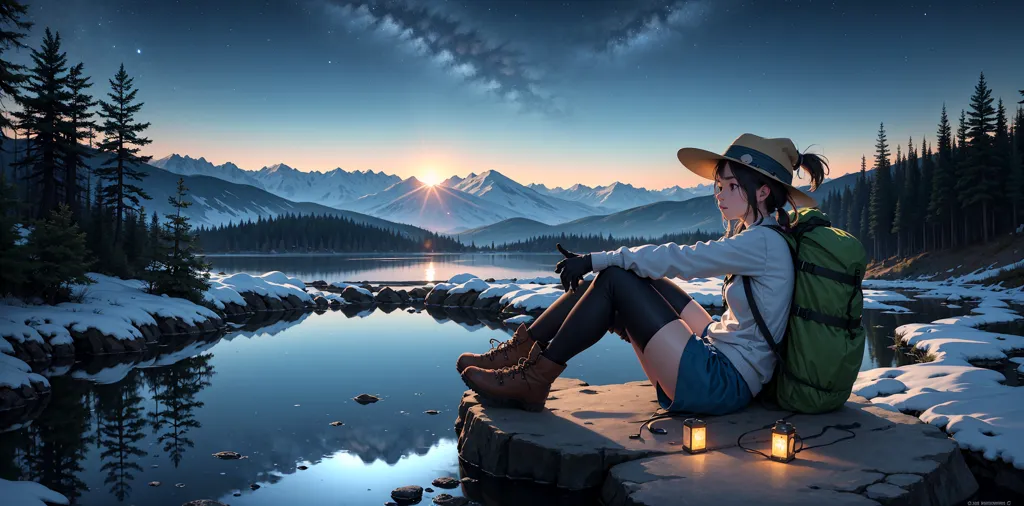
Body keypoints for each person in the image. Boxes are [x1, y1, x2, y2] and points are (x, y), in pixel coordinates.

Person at [456, 134, 828, 414]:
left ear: (763, 191)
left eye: (731, 185)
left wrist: (594, 260)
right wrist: (601, 263)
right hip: (723, 354)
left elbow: (682, 258)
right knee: (638, 279)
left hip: (723, 383)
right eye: (718, 185)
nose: (719, 194)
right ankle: (519, 354)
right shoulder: (761, 236)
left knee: (616, 279)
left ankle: (535, 379)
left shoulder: (761, 243)